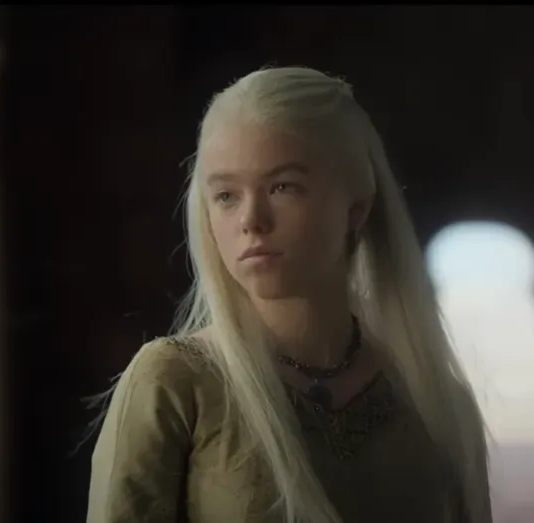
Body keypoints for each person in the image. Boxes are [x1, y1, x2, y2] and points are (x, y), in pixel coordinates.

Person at [85, 66, 492, 523]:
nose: (251, 220)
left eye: (283, 187)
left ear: (355, 208)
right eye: (226, 196)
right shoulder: (176, 381)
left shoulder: (433, 400)